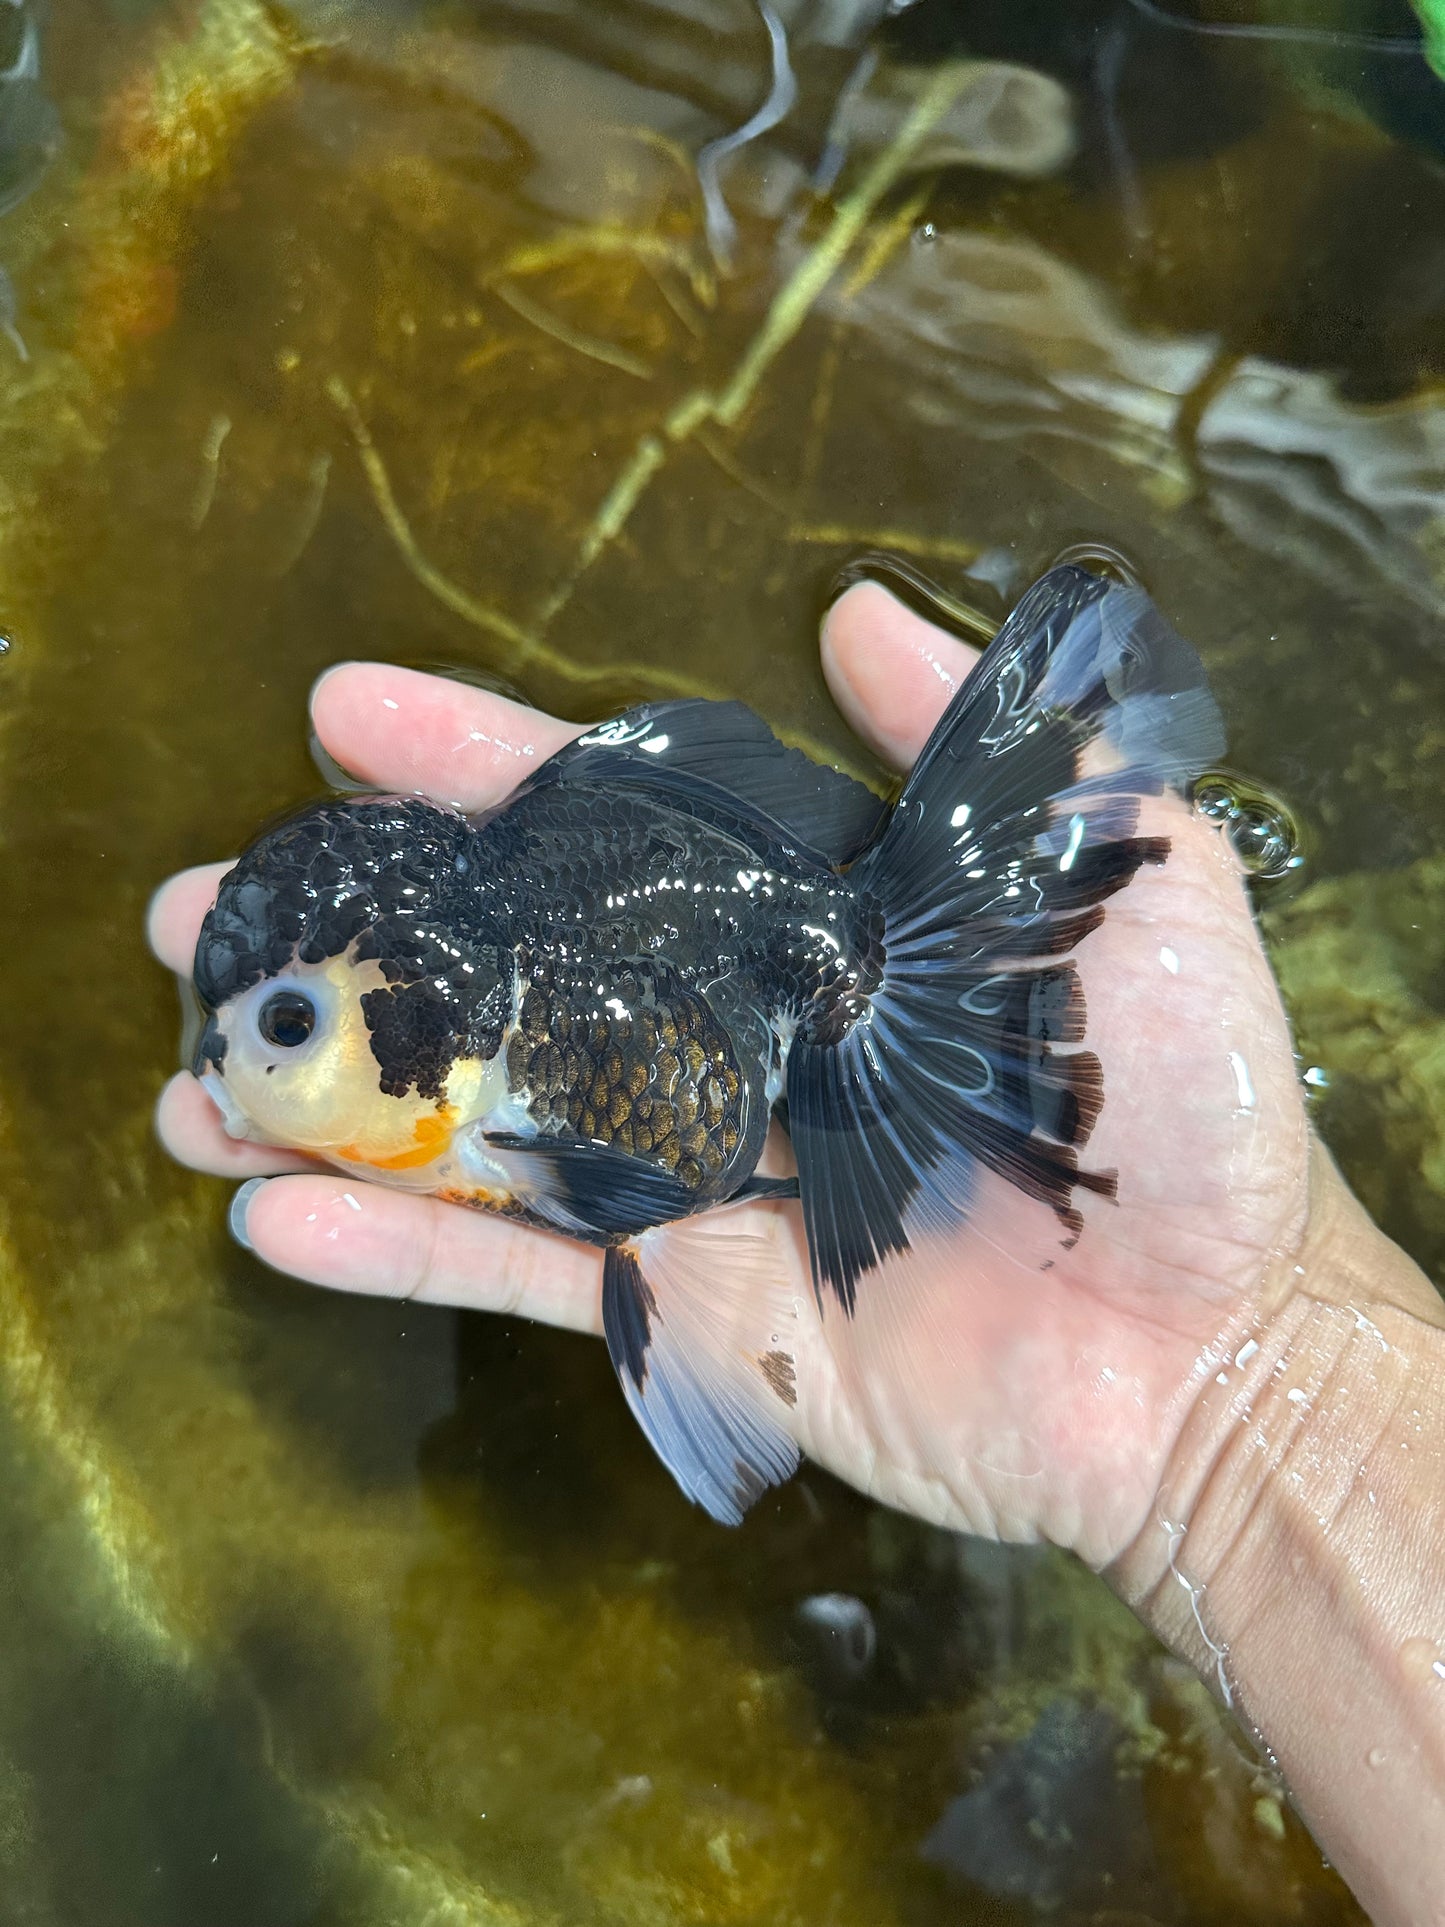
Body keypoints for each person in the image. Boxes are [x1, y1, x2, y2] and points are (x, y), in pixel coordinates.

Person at [148, 581, 1445, 1927]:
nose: (224, 1068)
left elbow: (625, 1187)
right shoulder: (485, 1079)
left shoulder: (517, 1102)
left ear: (419, 1014)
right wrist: (1238, 1403)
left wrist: (1233, 1381)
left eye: (285, 1028)